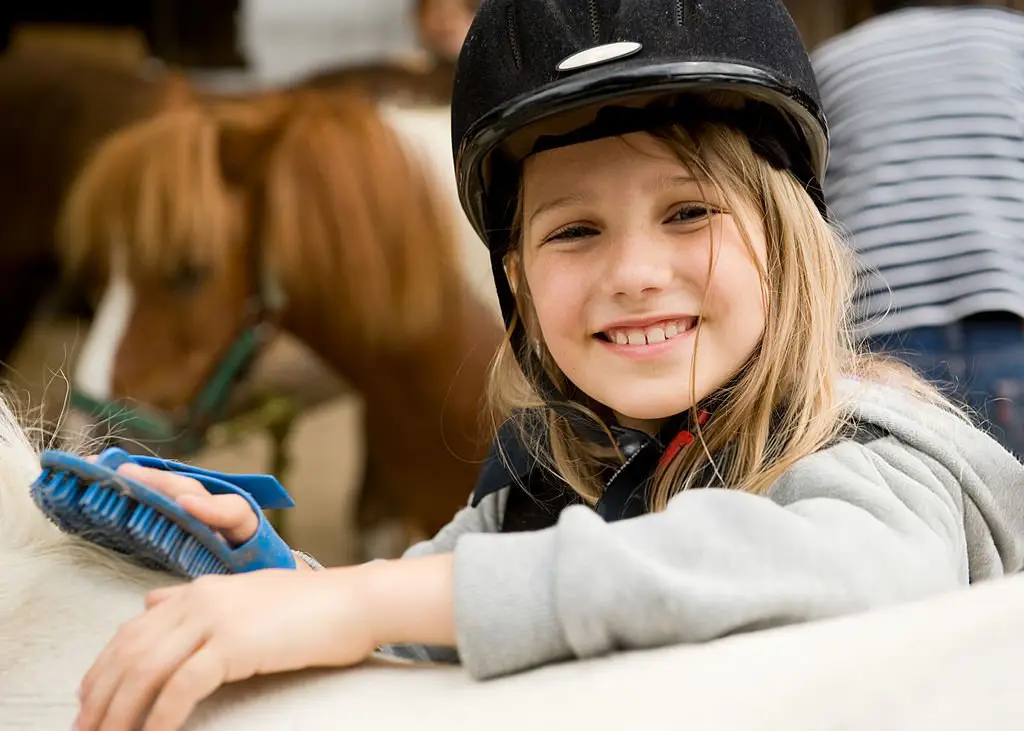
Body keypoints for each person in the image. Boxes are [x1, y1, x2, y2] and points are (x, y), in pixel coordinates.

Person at [74, 1, 1024, 730]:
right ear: (518, 283)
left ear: (789, 244)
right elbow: (435, 617)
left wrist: (361, 598)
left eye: (689, 212)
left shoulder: (874, 456)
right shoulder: (541, 489)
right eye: (575, 230)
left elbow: (846, 571)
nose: (634, 273)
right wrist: (274, 571)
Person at [810, 0, 1024, 456]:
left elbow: (812, 196)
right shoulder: (1012, 39)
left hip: (880, 329)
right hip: (1006, 315)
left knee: (903, 491)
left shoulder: (832, 61)